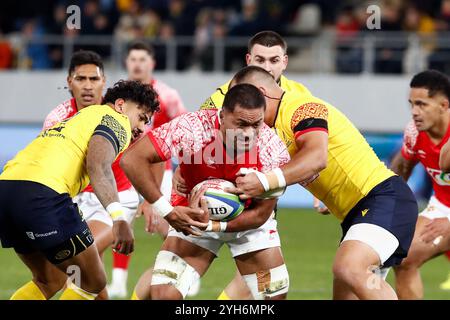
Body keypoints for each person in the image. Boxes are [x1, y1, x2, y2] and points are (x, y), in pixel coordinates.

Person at [227, 66, 418, 300]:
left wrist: (265, 181)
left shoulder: (301, 106)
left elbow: (317, 157)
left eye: (240, 97)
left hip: (384, 199)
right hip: (357, 214)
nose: (235, 107)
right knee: (348, 285)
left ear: (260, 92)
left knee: (350, 267)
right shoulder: (268, 132)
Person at [121, 84, 291, 300]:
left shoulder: (273, 150)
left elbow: (260, 215)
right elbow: (132, 159)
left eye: (256, 125)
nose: (249, 133)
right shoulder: (192, 128)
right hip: (193, 214)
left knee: (273, 296)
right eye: (241, 124)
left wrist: (214, 225)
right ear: (222, 116)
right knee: (164, 294)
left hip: (249, 222)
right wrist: (168, 211)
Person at [1, 80, 159, 300]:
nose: (141, 128)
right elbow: (99, 166)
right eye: (142, 118)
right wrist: (119, 219)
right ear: (121, 105)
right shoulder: (116, 120)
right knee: (92, 281)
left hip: (7, 190)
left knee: (49, 280)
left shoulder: (76, 119)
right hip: (43, 194)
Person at [107, 41, 187, 298]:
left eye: (143, 59)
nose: (138, 64)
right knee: (121, 219)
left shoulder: (168, 95)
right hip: (122, 168)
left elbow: (184, 133)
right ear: (126, 63)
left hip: (158, 168)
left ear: (152, 63)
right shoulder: (115, 99)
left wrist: (182, 171)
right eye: (133, 59)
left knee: (168, 224)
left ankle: (179, 273)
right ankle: (118, 282)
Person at [391, 70, 450, 299]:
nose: (415, 112)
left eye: (422, 104)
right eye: (412, 104)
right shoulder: (414, 133)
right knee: (404, 259)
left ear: (444, 105)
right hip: (443, 207)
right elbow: (399, 172)